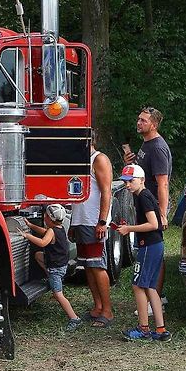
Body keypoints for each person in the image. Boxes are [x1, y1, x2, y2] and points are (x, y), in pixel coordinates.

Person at [123, 106, 172, 315]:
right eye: (138, 119)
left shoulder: (158, 148)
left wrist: (162, 213)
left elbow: (163, 183)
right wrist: (130, 164)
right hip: (144, 204)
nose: (139, 123)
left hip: (152, 207)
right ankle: (153, 296)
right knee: (149, 250)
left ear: (154, 124)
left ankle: (155, 299)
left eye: (143, 120)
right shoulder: (146, 144)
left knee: (154, 251)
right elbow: (143, 174)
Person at [116, 165, 171, 342]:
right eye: (125, 182)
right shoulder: (141, 196)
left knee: (138, 285)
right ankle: (161, 330)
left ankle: (143, 329)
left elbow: (154, 224)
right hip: (155, 245)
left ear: (142, 180)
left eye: (131, 181)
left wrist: (128, 229)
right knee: (150, 287)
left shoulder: (143, 197)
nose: (127, 185)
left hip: (149, 245)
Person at [70, 136, 114, 327]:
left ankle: (107, 310)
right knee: (87, 265)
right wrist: (73, 222)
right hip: (81, 220)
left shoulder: (99, 159)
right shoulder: (79, 161)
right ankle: (97, 306)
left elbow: (106, 191)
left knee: (97, 265)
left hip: (94, 220)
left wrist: (102, 221)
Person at [22, 204, 82, 332]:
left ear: (48, 218)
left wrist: (27, 236)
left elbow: (43, 242)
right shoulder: (58, 228)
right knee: (38, 255)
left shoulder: (51, 231)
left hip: (55, 268)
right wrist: (31, 226)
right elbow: (44, 232)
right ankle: (51, 278)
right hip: (60, 264)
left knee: (58, 294)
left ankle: (74, 318)